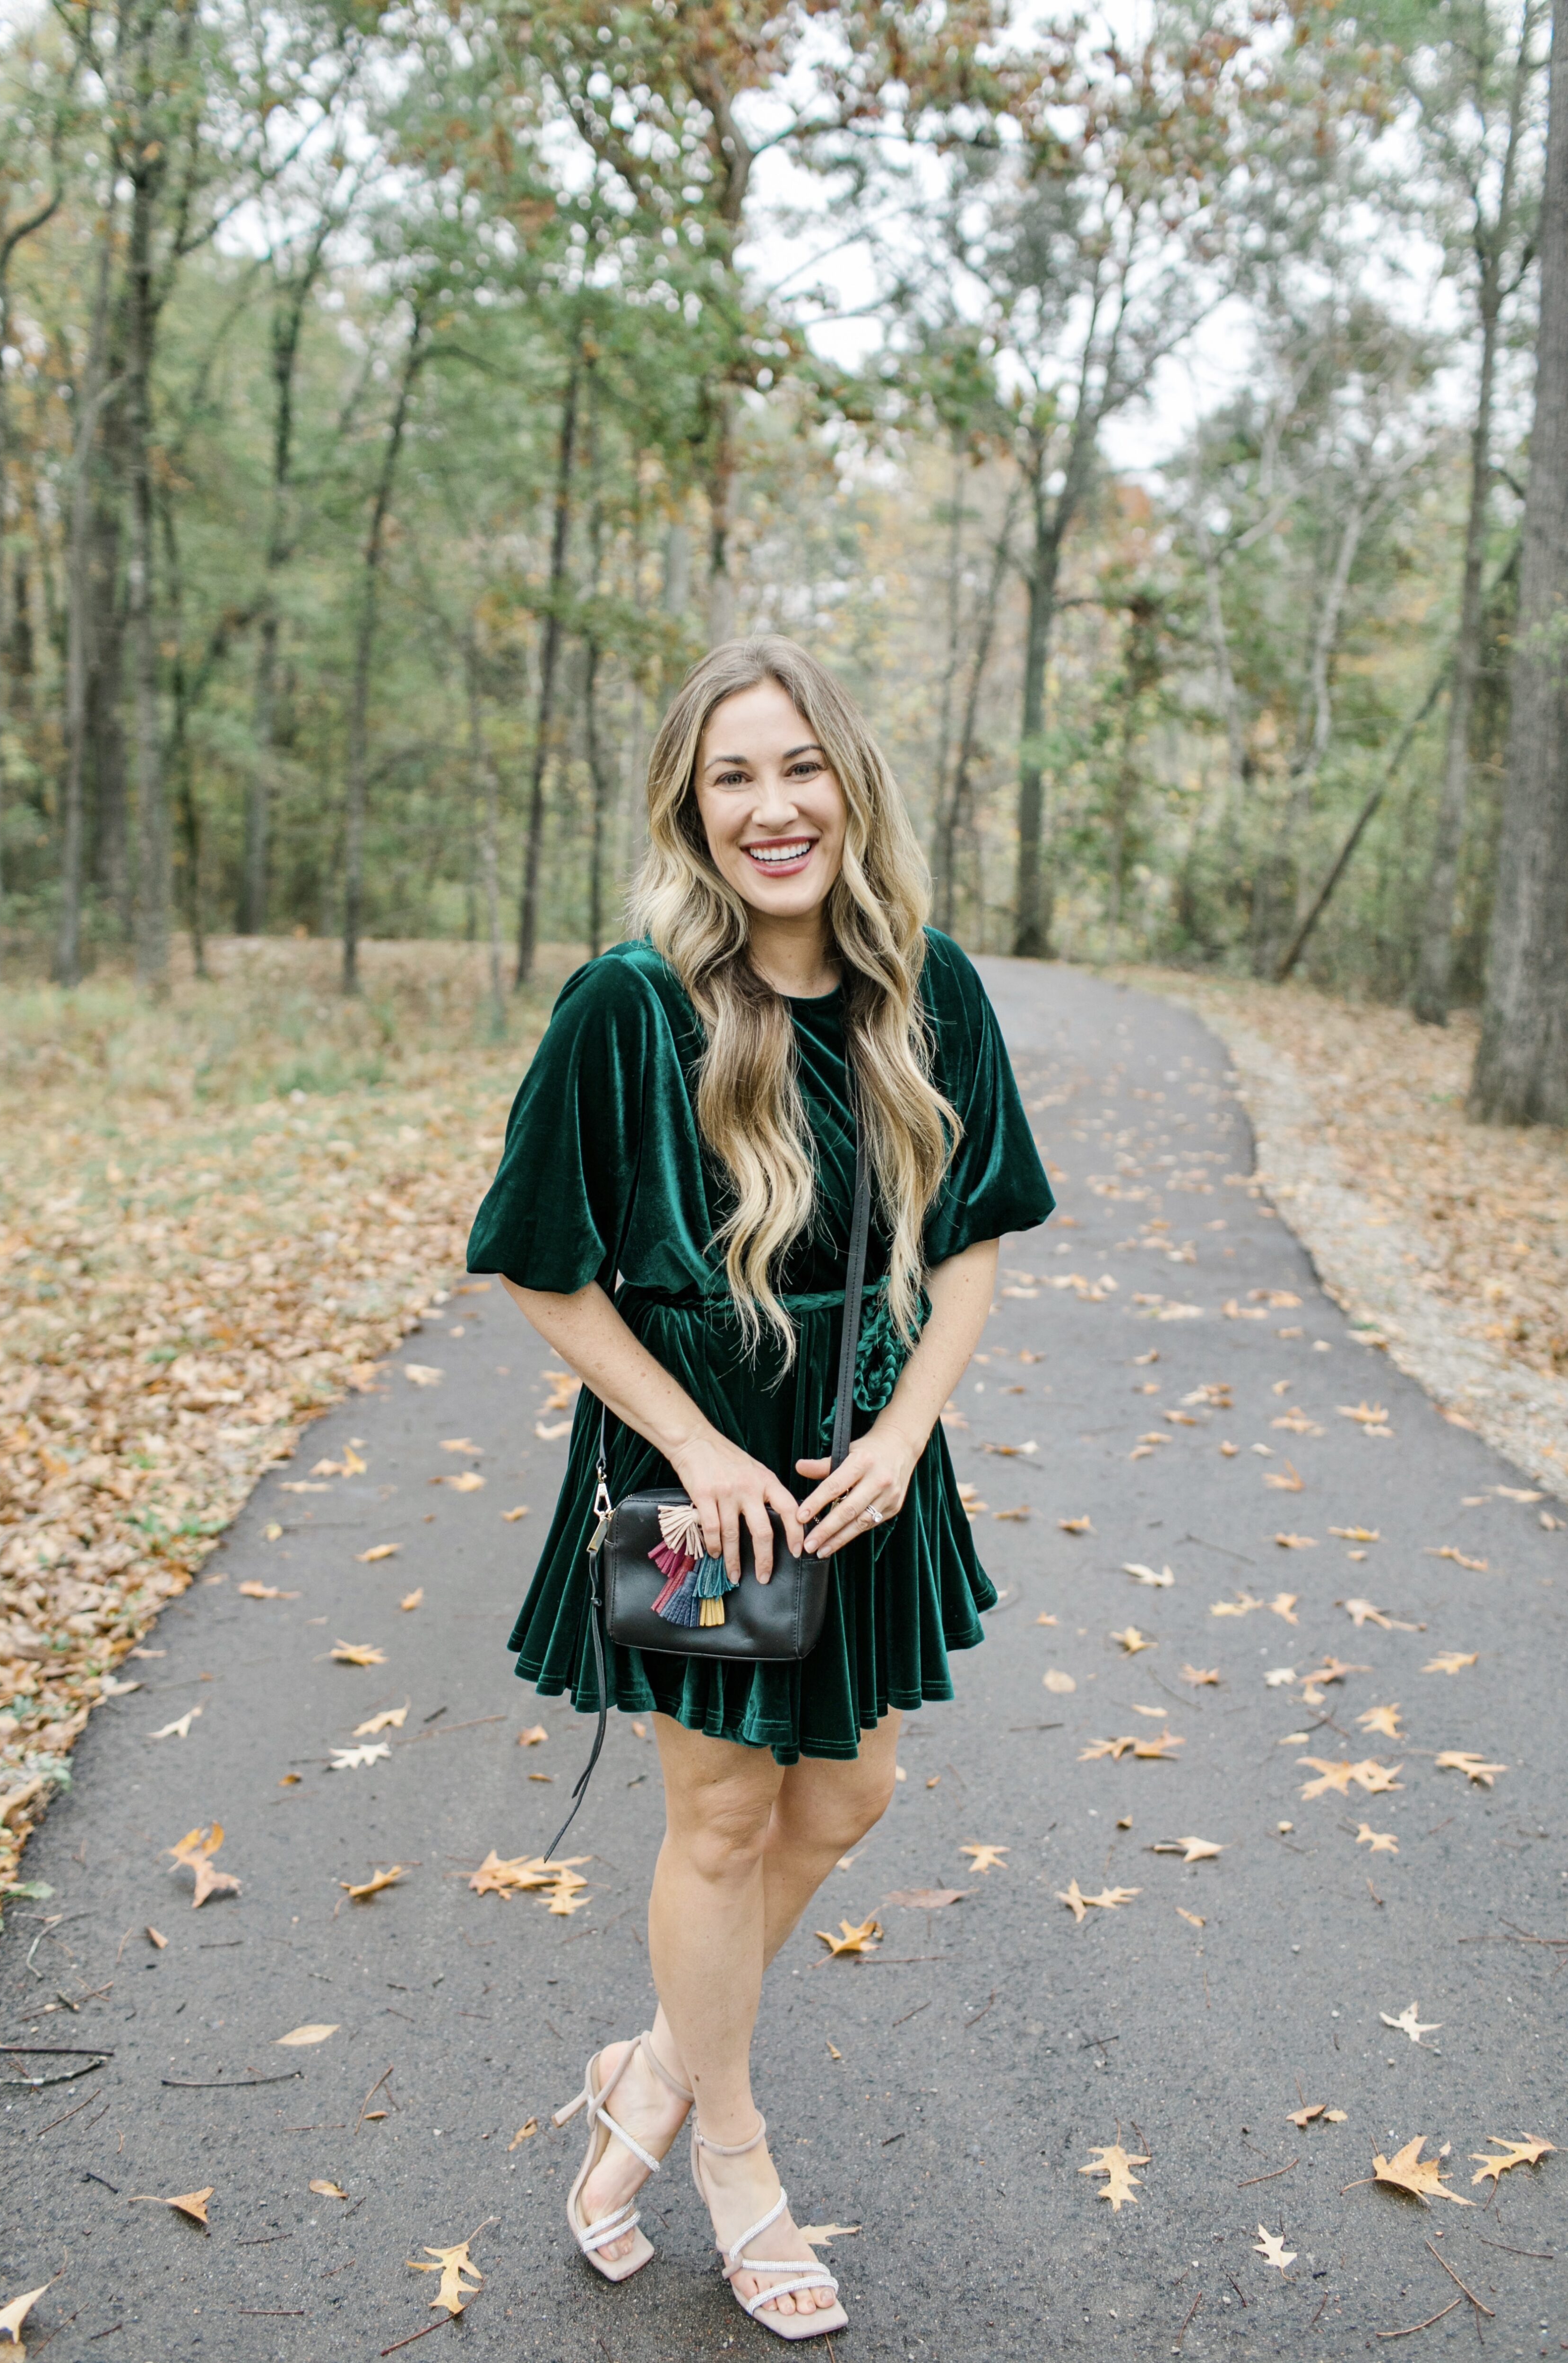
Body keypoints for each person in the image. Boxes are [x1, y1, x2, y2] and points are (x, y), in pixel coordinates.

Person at [466, 636, 1053, 2340]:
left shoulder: (927, 987)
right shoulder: (629, 1006)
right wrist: (704, 1448)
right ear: (690, 805)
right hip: (700, 1481)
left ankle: (645, 2065)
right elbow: (542, 1270)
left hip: (868, 1465)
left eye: (800, 767)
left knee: (847, 1800)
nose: (773, 805)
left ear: (847, 785)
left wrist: (901, 1440)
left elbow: (972, 1255)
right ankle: (731, 2149)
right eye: (735, 775)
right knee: (722, 1819)